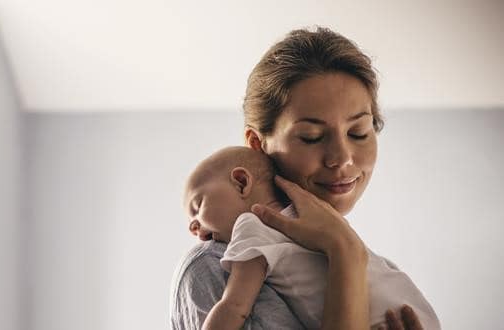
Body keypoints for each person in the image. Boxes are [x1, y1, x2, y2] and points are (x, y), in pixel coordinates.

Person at [170, 26, 433, 329]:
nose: (342, 158)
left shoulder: (377, 274)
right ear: (258, 144)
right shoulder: (215, 267)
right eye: (311, 137)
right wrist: (345, 252)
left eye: (358, 132)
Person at [181, 146, 440, 330]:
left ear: (240, 182)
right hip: (413, 311)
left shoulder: (252, 225)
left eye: (197, 206)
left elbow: (235, 306)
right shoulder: (322, 220)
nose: (193, 226)